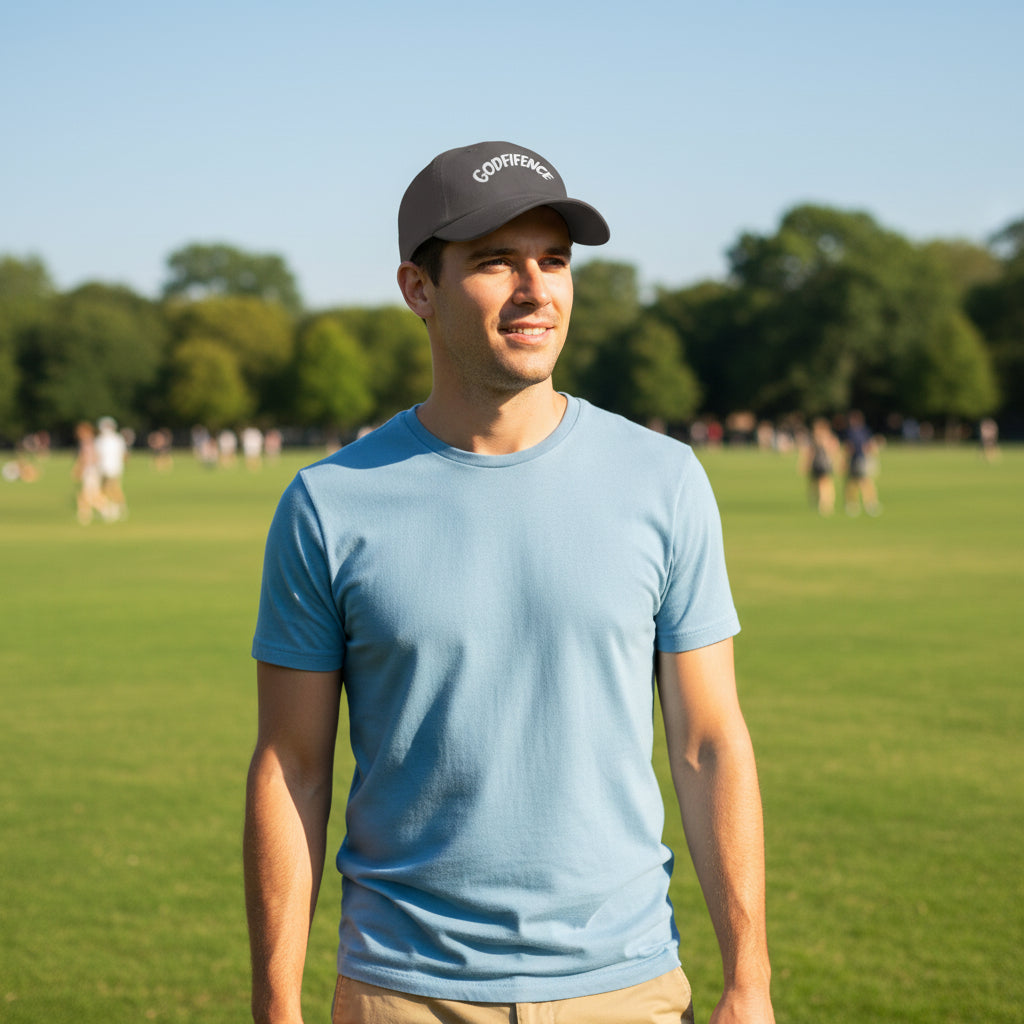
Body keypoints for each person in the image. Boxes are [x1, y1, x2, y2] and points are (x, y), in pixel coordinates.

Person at [245, 141, 774, 1024]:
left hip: (627, 987)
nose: (537, 290)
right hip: (403, 994)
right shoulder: (328, 505)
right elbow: (291, 767)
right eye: (496, 261)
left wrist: (749, 982)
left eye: (555, 261)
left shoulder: (665, 480)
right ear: (420, 289)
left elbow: (709, 742)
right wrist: (275, 1006)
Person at [843, 411, 881, 516]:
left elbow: (867, 445)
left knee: (861, 482)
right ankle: (858, 504)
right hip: (858, 460)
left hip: (859, 460)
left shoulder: (857, 431)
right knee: (854, 483)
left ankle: (867, 503)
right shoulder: (861, 431)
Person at [801, 416, 840, 515]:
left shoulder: (827, 438)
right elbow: (810, 453)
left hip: (824, 464)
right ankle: (820, 502)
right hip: (816, 464)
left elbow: (833, 450)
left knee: (825, 484)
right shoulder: (814, 438)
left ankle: (826, 504)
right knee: (815, 484)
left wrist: (836, 463)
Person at [94, 416, 128, 520]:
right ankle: (111, 507)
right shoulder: (110, 439)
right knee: (106, 489)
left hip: (111, 468)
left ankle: (117, 507)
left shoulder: (112, 439)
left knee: (112, 488)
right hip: (106, 468)